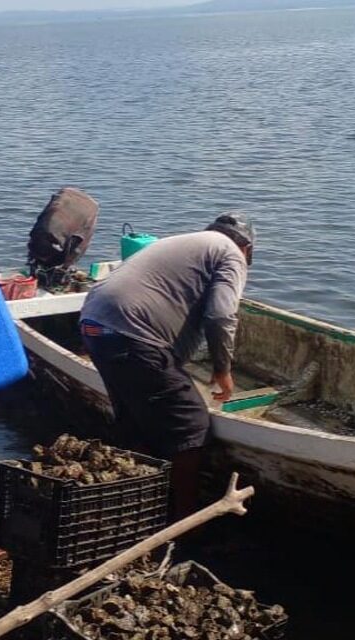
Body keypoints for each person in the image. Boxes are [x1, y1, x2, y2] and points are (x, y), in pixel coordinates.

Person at [79, 213, 254, 520]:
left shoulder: (190, 243)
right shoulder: (231, 254)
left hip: (93, 322)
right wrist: (222, 369)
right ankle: (186, 521)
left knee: (137, 422)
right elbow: (220, 316)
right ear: (248, 250)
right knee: (191, 424)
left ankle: (136, 506)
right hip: (131, 329)